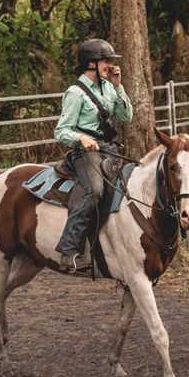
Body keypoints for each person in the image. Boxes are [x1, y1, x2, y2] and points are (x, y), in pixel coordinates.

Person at [53, 38, 133, 271]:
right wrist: (81, 138)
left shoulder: (108, 87)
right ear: (91, 64)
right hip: (84, 152)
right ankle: (68, 250)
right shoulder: (75, 93)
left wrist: (119, 86)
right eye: (106, 61)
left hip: (109, 149)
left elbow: (125, 116)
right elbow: (61, 131)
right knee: (95, 191)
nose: (110, 65)